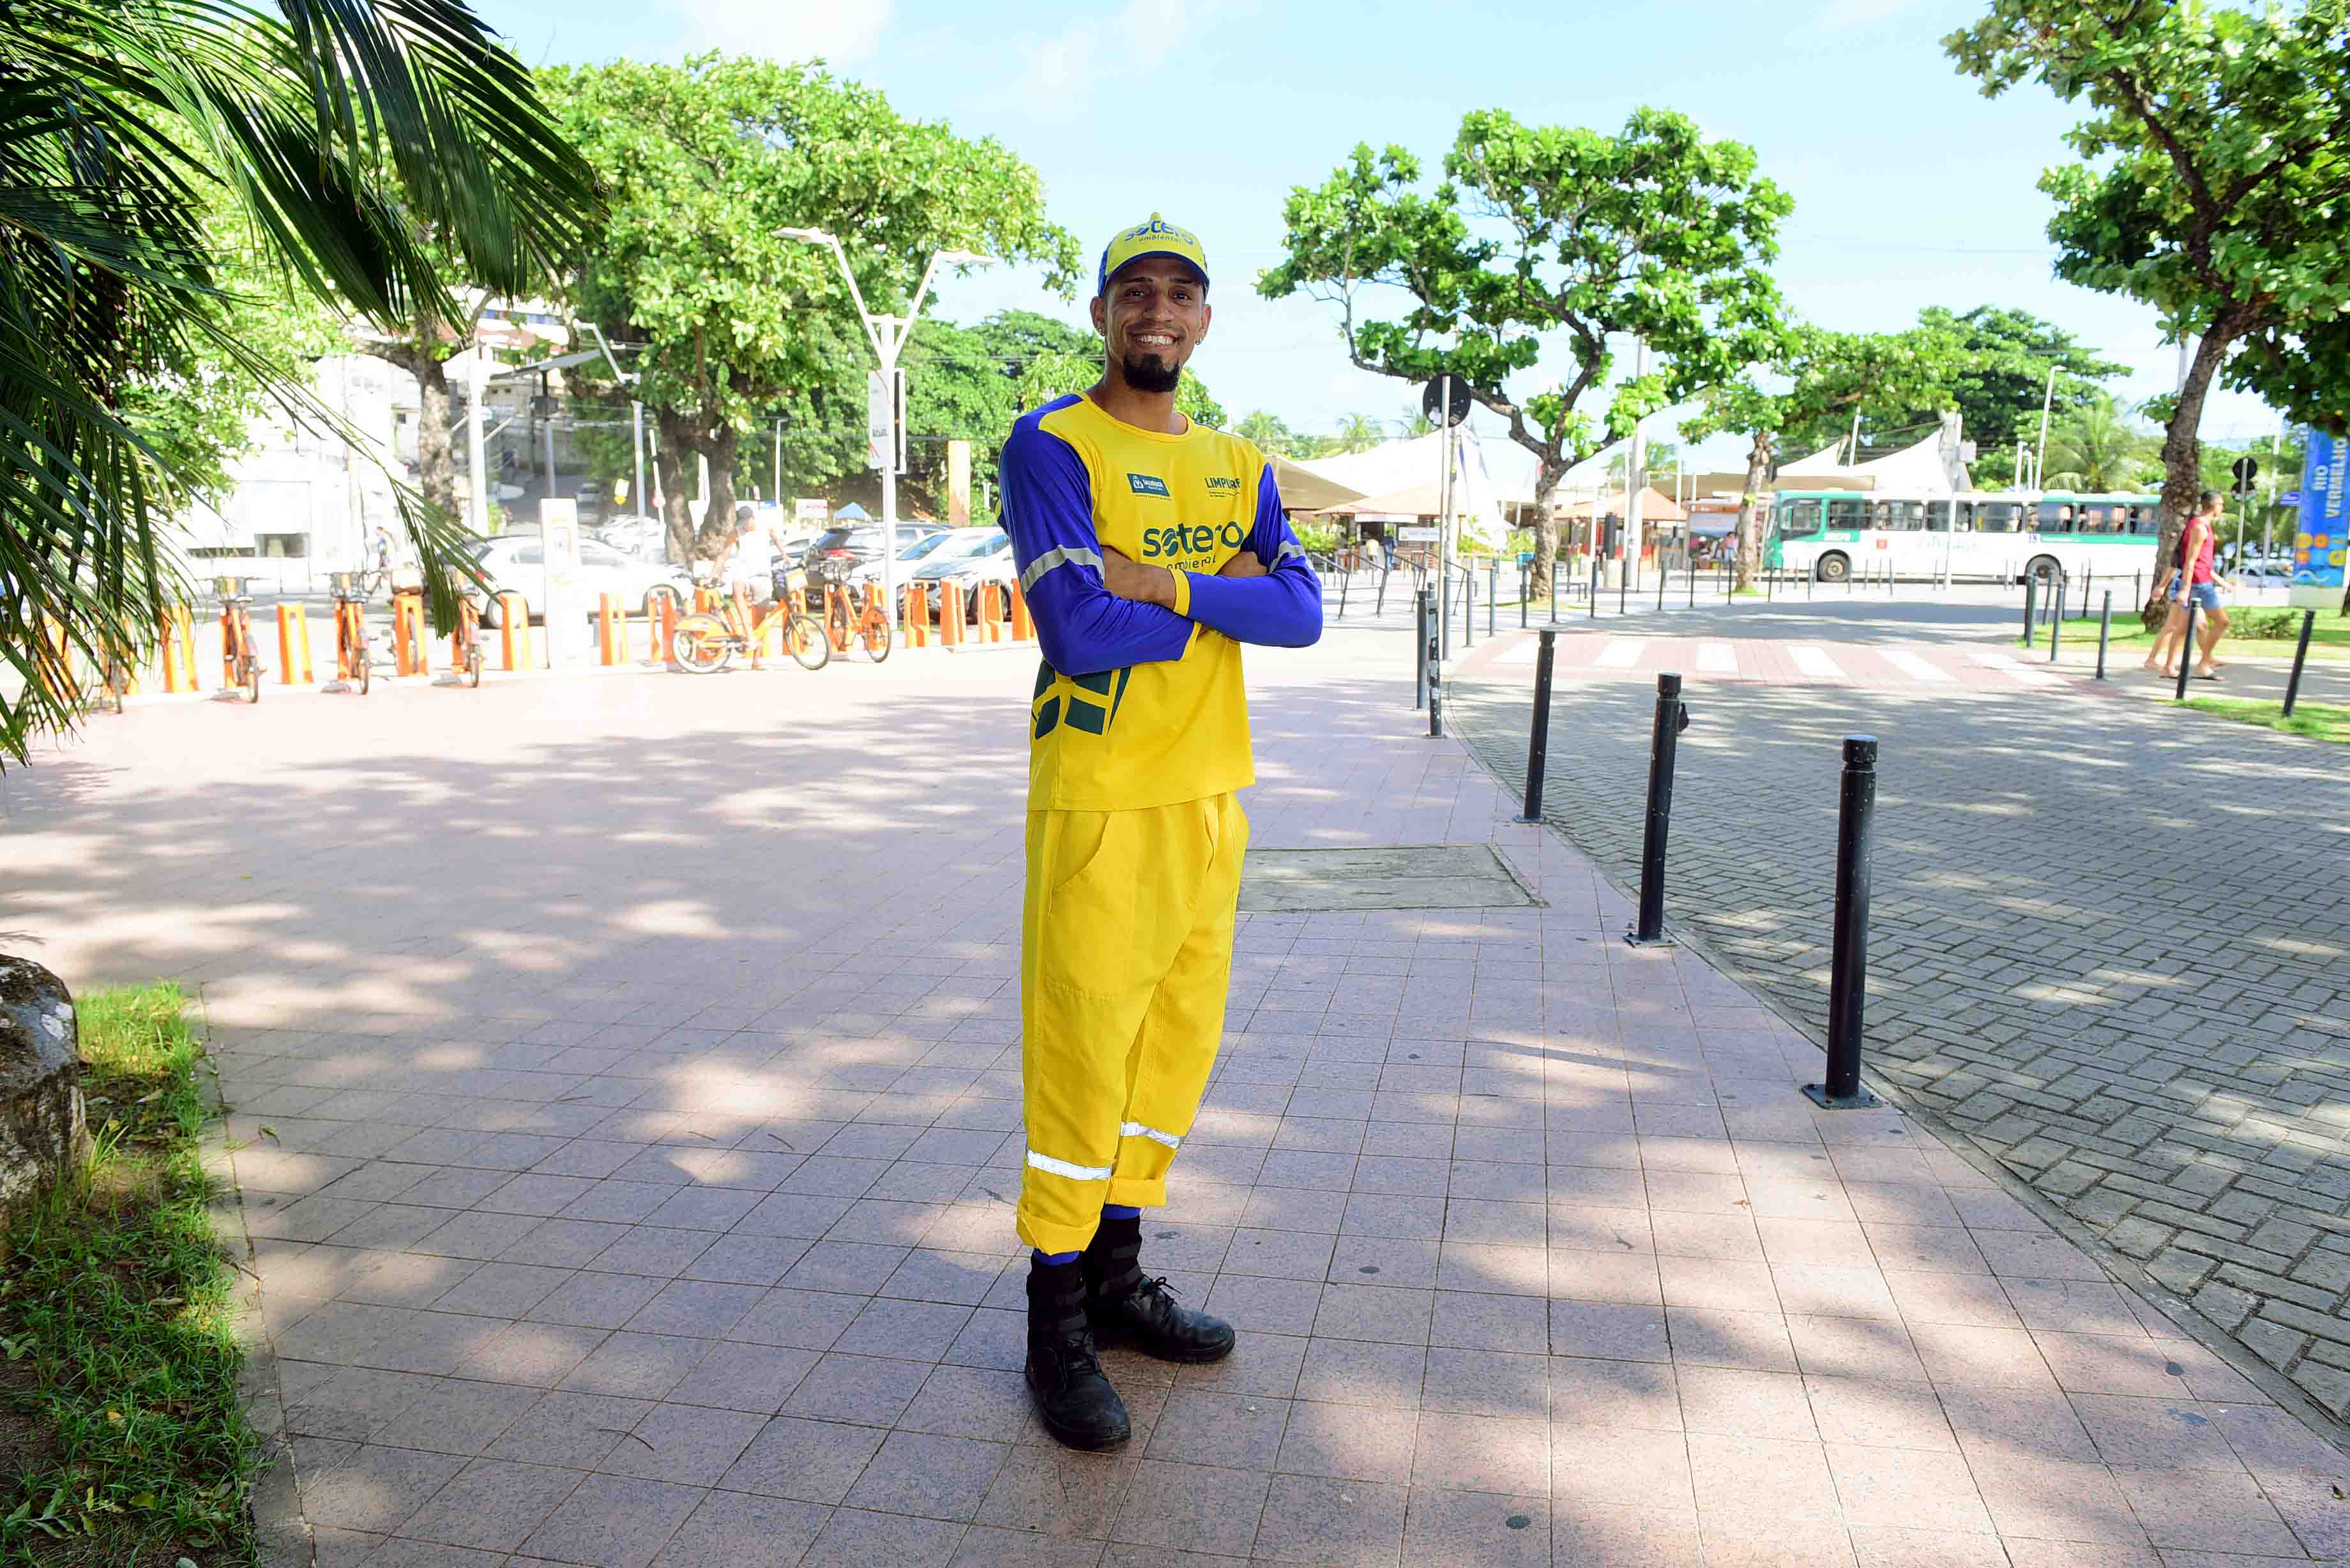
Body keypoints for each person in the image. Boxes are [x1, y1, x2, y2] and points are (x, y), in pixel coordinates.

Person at [999, 214, 1323, 1451]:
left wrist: (1170, 583)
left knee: (1169, 1057)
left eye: (1179, 294)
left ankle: (1120, 1281)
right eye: (1132, 291)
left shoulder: (1241, 462)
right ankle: (1052, 1322)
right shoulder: (1051, 442)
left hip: (1207, 800)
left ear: (1202, 322)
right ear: (1100, 315)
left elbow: (1299, 615)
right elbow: (1078, 631)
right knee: (1082, 1058)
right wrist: (1227, 596)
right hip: (1096, 802)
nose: (1156, 312)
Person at [2146, 490, 2232, 680]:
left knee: (2189, 628)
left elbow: (2202, 561)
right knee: (2196, 626)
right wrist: (2185, 588)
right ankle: (2202, 662)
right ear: (2214, 506)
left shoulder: (2203, 527)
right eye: (2221, 505)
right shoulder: (2200, 528)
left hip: (2203, 582)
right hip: (2197, 585)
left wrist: (2221, 581)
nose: (2222, 509)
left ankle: (2198, 662)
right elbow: (2190, 560)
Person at [718, 504, 773, 602]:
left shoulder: (765, 528)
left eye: (746, 523)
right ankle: (745, 617)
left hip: (761, 576)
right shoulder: (737, 532)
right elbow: (723, 556)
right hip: (744, 576)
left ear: (753, 518)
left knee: (760, 612)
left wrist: (784, 554)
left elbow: (776, 539)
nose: (744, 526)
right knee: (738, 589)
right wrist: (714, 575)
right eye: (742, 523)